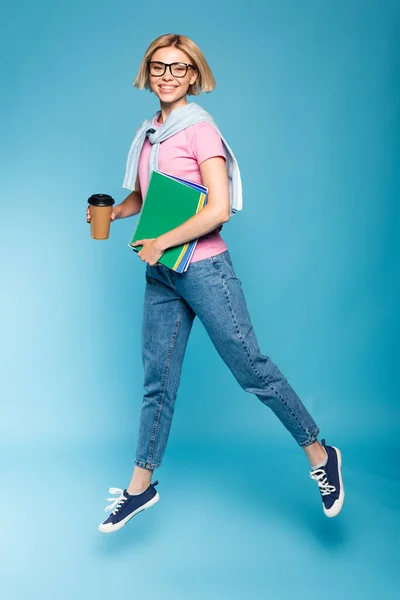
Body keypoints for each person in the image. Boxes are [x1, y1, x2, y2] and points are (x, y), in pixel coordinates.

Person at [86, 34, 345, 534]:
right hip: (162, 272)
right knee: (156, 383)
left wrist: (161, 241)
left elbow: (218, 207)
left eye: (178, 69)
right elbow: (150, 194)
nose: (167, 76)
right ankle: (140, 489)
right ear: (148, 70)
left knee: (252, 369)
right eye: (160, 66)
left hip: (203, 269)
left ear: (193, 75)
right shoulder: (150, 133)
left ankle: (320, 453)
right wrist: (116, 212)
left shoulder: (201, 130)